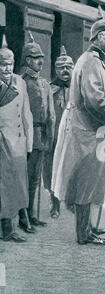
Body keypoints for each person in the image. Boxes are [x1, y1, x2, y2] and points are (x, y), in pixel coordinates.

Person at [52, 10, 105, 245]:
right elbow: (96, 101)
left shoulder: (96, 61)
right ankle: (83, 233)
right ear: (99, 36)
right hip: (86, 132)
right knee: (85, 183)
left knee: (91, 183)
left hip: (91, 131)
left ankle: (89, 227)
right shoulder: (91, 62)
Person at [0, 35, 33, 242]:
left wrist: (29, 142)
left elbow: (26, 113)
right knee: (3, 186)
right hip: (2, 141)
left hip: (18, 142)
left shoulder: (20, 82)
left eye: (10, 64)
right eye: (3, 65)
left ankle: (13, 225)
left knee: (18, 186)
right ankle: (6, 230)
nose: (7, 68)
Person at [21, 32, 55, 227]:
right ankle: (23, 216)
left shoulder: (44, 84)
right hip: (27, 136)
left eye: (41, 58)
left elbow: (50, 115)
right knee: (25, 178)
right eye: (35, 58)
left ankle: (31, 215)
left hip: (41, 136)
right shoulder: (21, 82)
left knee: (35, 180)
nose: (40, 61)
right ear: (27, 60)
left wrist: (49, 137)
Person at [43, 46, 74, 219]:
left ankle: (71, 201)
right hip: (53, 137)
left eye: (68, 66)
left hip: (72, 137)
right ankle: (54, 203)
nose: (65, 70)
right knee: (51, 171)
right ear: (55, 69)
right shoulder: (49, 88)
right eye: (61, 67)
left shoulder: (78, 89)